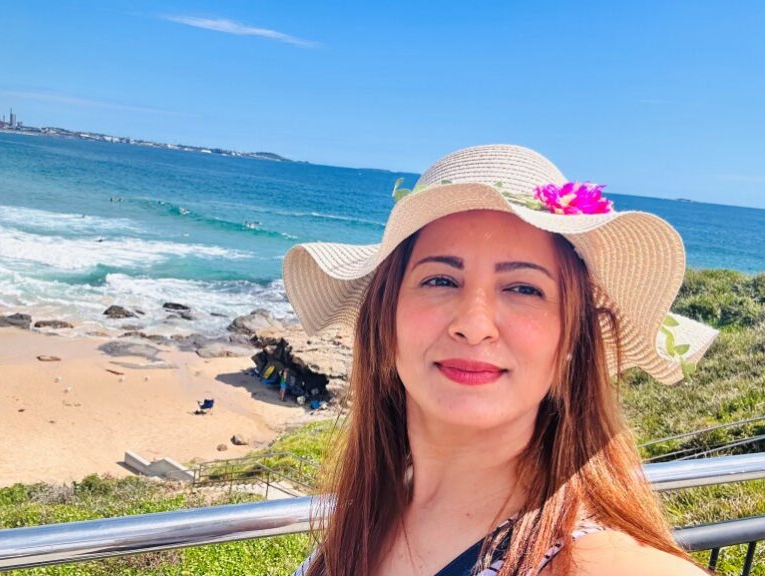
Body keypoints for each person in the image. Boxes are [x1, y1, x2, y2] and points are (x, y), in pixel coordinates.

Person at [283, 145, 718, 576]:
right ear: (385, 318)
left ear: (571, 338)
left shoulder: (608, 565)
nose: (474, 325)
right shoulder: (363, 523)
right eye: (440, 279)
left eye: (524, 288)